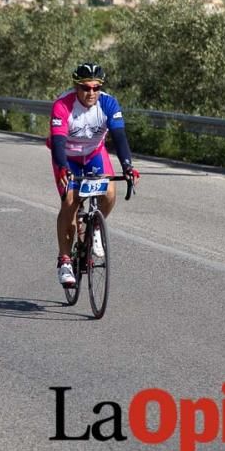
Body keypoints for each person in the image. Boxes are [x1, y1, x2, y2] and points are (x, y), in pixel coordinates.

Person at [48, 62, 139, 287]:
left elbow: (119, 137)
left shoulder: (108, 103)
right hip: (68, 157)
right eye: (86, 88)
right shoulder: (63, 105)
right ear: (76, 86)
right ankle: (65, 261)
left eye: (96, 88)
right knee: (70, 200)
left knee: (109, 192)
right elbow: (58, 143)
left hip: (94, 154)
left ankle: (95, 227)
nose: (91, 93)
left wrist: (127, 166)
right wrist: (62, 168)